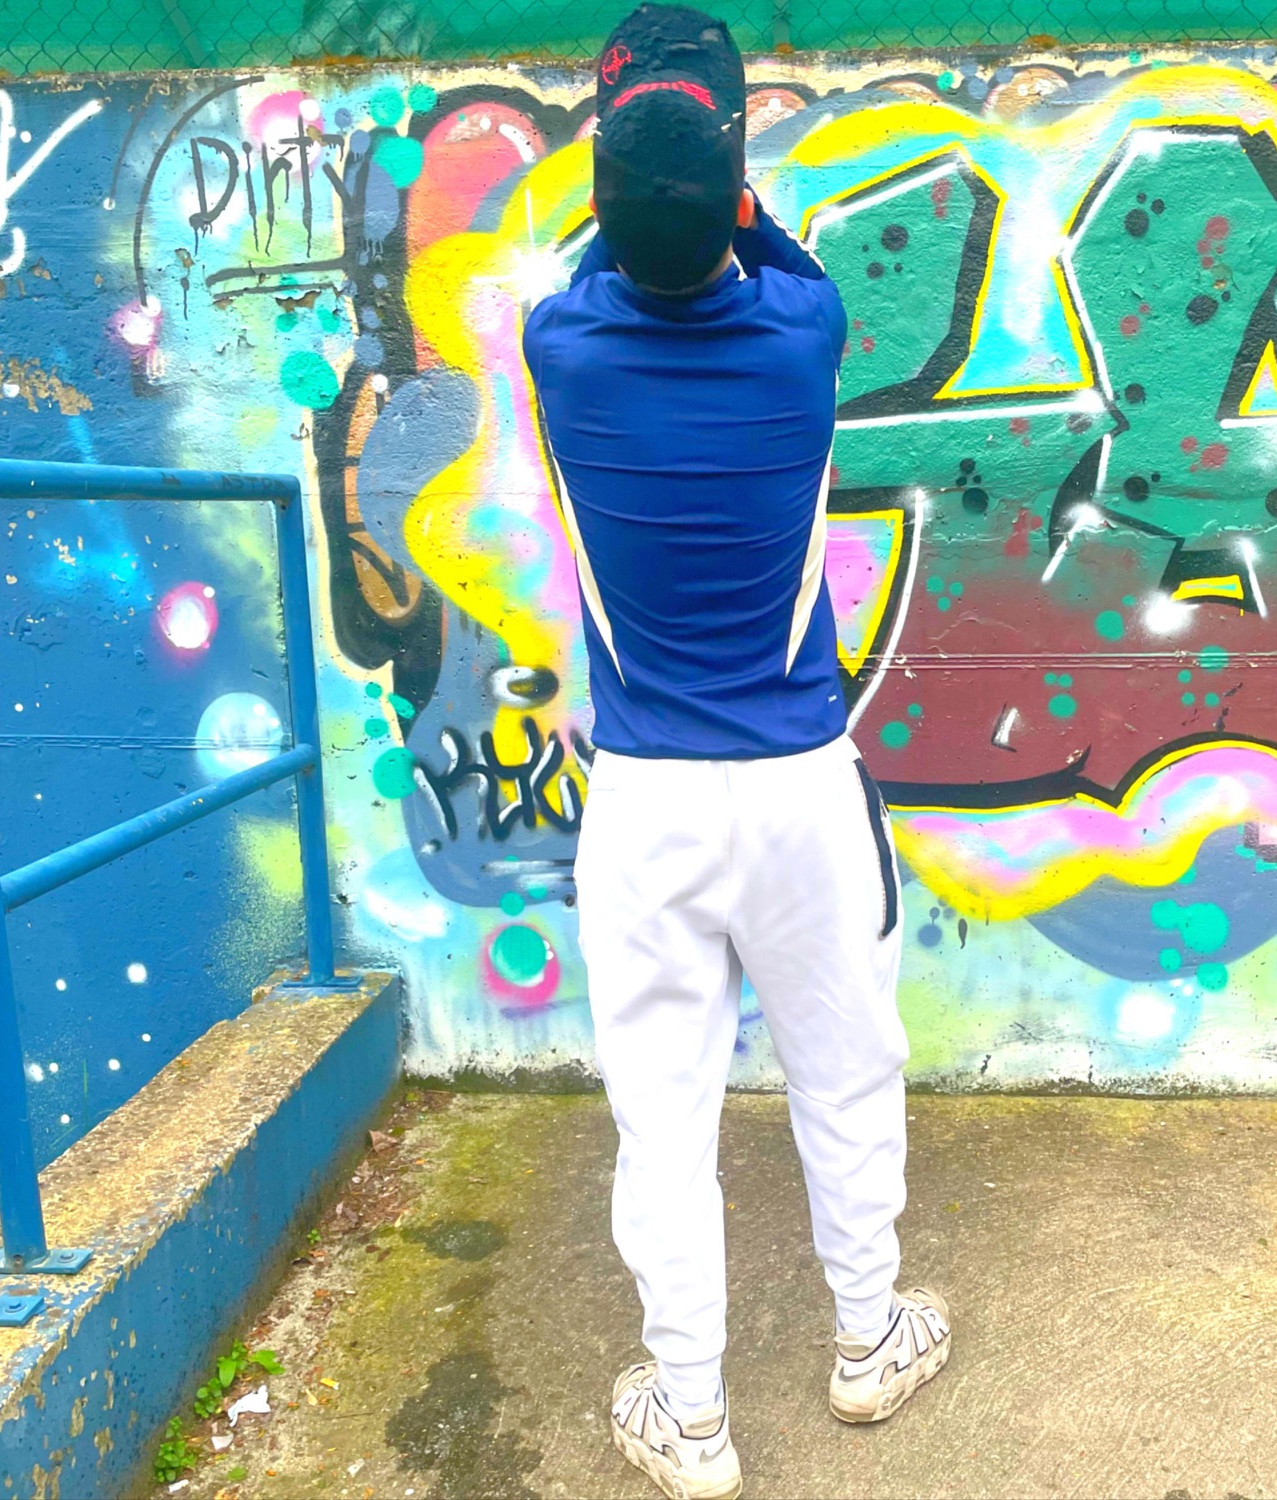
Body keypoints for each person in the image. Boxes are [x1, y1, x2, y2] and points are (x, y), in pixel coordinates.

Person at [522, 8, 951, 1496]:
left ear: (603, 203)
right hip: (801, 791)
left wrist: (642, 183)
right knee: (847, 1077)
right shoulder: (803, 339)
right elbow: (787, 265)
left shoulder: (561, 348)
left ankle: (693, 1420)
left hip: (645, 805)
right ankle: (866, 1340)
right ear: (736, 191)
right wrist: (722, 190)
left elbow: (599, 261)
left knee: (664, 1121)